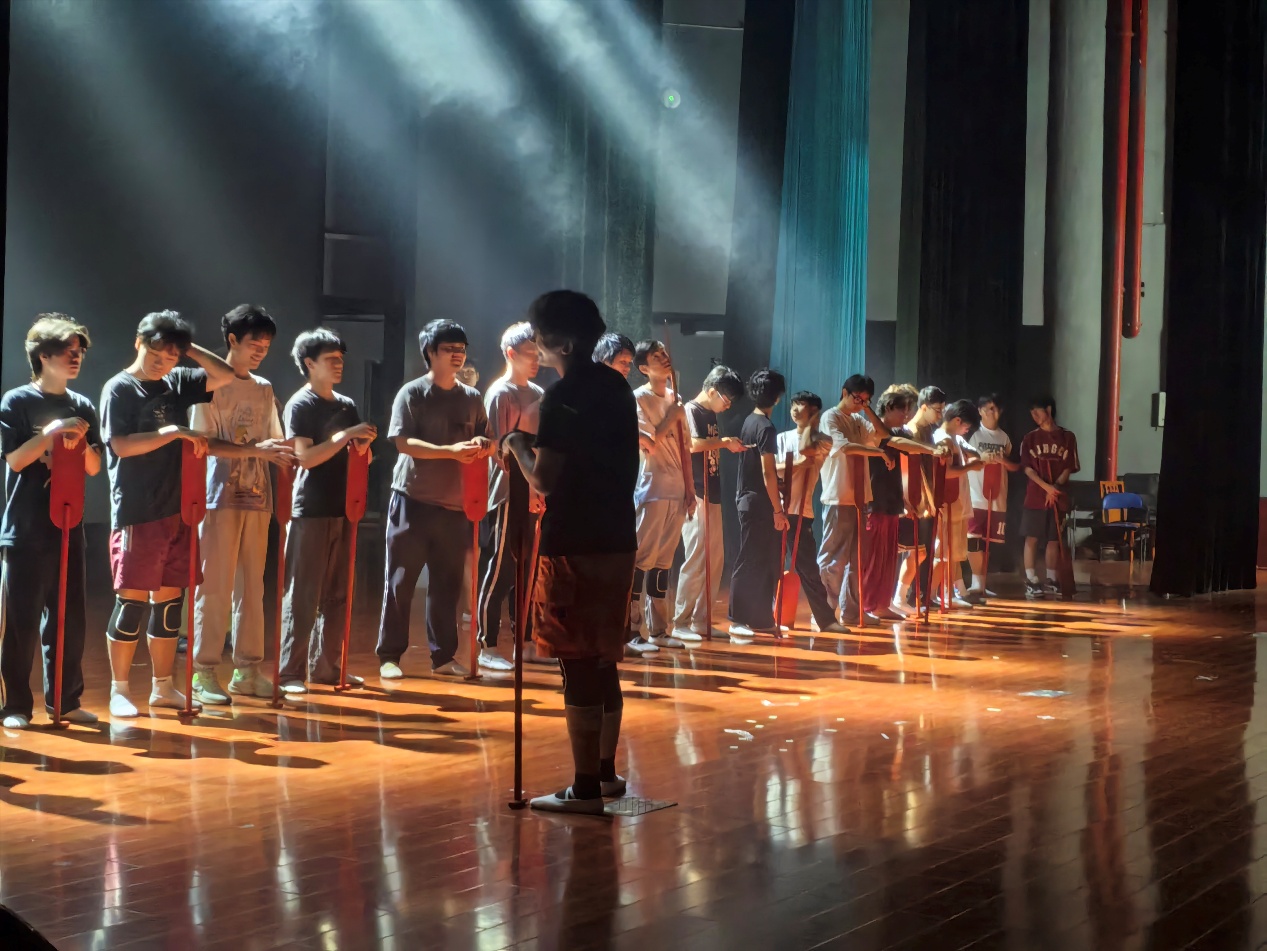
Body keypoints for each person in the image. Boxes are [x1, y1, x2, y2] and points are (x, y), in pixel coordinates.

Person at [503, 290, 639, 814]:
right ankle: (604, 773)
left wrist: (517, 444)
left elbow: (544, 479)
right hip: (617, 536)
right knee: (603, 655)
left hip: (575, 541)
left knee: (577, 660)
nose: (536, 344)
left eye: (540, 336)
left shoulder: (562, 396)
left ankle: (584, 789)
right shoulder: (616, 385)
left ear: (560, 342)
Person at [100, 310, 235, 718]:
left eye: (171, 356)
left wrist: (186, 347)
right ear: (138, 343)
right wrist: (171, 432)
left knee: (170, 603)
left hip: (179, 507)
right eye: (156, 353)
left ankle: (163, 687)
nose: (163, 363)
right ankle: (119, 689)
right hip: (138, 509)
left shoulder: (177, 381)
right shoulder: (119, 388)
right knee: (132, 601)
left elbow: (225, 374)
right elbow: (121, 446)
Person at [188, 305, 296, 705]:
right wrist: (255, 450)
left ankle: (247, 670)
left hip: (258, 497)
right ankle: (203, 671)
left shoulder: (264, 388)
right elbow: (203, 443)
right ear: (232, 339)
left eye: (266, 344)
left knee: (253, 587)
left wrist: (286, 452)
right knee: (214, 587)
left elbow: (275, 440)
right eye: (254, 342)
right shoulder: (207, 385)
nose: (261, 350)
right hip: (218, 497)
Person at [0, 315, 103, 728]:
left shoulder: (83, 405)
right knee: (22, 622)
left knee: (69, 619)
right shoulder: (17, 401)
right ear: (43, 356)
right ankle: (16, 706)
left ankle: (66, 700)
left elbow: (94, 467)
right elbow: (15, 459)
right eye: (67, 351)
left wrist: (79, 444)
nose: (76, 357)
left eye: (79, 352)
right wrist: (53, 432)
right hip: (26, 527)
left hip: (69, 524)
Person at [377, 319, 492, 679]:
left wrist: (483, 445)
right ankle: (389, 656)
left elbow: (486, 439)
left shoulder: (472, 398)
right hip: (412, 499)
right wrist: (450, 451)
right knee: (400, 582)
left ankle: (443, 657)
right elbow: (403, 443)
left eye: (461, 349)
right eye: (449, 349)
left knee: (446, 585)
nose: (457, 355)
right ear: (430, 352)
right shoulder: (412, 393)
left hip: (455, 505)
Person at [278, 329, 376, 693]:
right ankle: (290, 672)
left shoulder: (345, 405)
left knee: (338, 595)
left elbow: (360, 456)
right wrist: (345, 436)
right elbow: (305, 457)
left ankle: (328, 667)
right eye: (330, 359)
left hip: (344, 506)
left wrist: (362, 444)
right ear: (309, 363)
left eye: (341, 359)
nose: (339, 364)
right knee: (303, 594)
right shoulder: (300, 404)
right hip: (310, 509)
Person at [476, 322, 543, 672]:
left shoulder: (538, 393)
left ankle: (525, 641)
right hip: (507, 494)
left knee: (529, 571)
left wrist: (540, 488)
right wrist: (526, 489)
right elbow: (501, 451)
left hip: (535, 492)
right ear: (511, 354)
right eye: (530, 353)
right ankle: (486, 644)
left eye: (539, 353)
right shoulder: (500, 394)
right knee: (502, 568)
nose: (537, 360)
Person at [626, 339, 696, 655]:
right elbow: (650, 443)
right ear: (644, 368)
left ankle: (659, 630)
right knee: (642, 560)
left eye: (665, 353)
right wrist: (673, 415)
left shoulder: (675, 398)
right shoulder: (638, 399)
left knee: (664, 562)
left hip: (677, 490)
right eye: (657, 356)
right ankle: (632, 630)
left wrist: (690, 491)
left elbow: (686, 450)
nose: (665, 358)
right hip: (652, 488)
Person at [671, 364, 745, 641]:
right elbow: (691, 445)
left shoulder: (711, 414)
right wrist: (724, 442)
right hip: (696, 491)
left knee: (716, 559)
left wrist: (724, 443)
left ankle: (702, 620)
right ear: (712, 391)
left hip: (712, 491)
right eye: (726, 400)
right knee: (697, 557)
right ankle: (680, 621)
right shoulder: (690, 410)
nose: (727, 406)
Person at [816, 374, 889, 628]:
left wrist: (867, 410)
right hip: (838, 496)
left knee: (858, 560)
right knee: (833, 558)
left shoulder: (859, 419)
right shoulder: (830, 417)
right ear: (845, 392)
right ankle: (824, 612)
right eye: (858, 398)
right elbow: (845, 447)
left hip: (860, 497)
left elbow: (882, 434)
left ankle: (852, 611)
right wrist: (877, 452)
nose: (861, 404)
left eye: (866, 400)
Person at [863, 386, 942, 620]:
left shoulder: (899, 432)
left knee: (888, 559)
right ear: (888, 408)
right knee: (874, 559)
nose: (906, 416)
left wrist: (906, 500)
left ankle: (882, 603)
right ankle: (868, 604)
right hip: (875, 503)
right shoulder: (873, 431)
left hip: (893, 502)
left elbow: (907, 450)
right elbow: (898, 443)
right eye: (902, 411)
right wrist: (931, 450)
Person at [775, 392, 845, 633]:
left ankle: (826, 620)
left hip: (800, 512)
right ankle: (770, 616)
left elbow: (806, 450)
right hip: (778, 509)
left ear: (814, 412)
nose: (795, 410)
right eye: (793, 405)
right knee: (771, 567)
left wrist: (811, 426)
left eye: (802, 406)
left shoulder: (823, 440)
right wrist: (795, 466)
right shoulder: (781, 438)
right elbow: (772, 469)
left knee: (808, 571)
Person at [728, 368, 789, 643]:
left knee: (765, 562)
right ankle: (737, 619)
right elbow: (768, 473)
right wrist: (778, 510)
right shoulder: (764, 426)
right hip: (757, 503)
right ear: (778, 397)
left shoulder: (751, 422)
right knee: (751, 560)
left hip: (752, 500)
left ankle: (761, 618)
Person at [931, 400, 990, 609]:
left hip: (957, 502)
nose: (967, 431)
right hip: (947, 502)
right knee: (942, 553)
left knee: (953, 553)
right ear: (957, 420)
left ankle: (951, 593)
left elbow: (975, 454)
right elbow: (945, 473)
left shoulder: (955, 439)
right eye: (967, 426)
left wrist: (973, 459)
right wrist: (971, 466)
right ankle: (931, 595)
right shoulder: (942, 439)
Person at [1020, 395, 1080, 599]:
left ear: (1049, 409)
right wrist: (1046, 488)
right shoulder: (1030, 438)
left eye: (1037, 412)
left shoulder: (1067, 437)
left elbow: (1068, 467)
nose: (1035, 417)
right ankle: (1031, 579)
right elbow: (1028, 469)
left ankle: (1052, 579)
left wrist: (1055, 488)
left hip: (1058, 495)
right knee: (1032, 537)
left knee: (1054, 538)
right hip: (1036, 495)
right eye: (1032, 414)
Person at [894, 385, 947, 611]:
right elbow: (913, 469)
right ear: (923, 407)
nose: (940, 415)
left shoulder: (928, 432)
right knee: (916, 550)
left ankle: (921, 595)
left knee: (925, 551)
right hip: (916, 499)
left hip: (928, 499)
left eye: (942, 410)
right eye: (937, 410)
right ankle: (906, 596)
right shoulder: (911, 431)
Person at [966, 394, 1021, 598]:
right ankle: (974, 581)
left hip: (997, 498)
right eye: (990, 409)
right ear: (980, 411)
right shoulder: (972, 434)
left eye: (997, 409)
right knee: (973, 540)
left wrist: (1003, 460)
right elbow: (961, 459)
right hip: (974, 496)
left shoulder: (1005, 437)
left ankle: (981, 583)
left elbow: (1016, 466)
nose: (994, 413)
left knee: (987, 542)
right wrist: (981, 459)